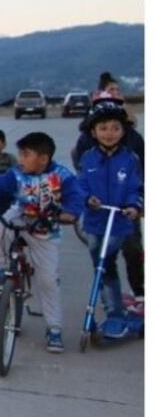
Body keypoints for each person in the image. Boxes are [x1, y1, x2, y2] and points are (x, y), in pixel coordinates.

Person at [0, 132, 85, 353]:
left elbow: (76, 196)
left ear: (43, 158)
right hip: (20, 215)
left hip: (45, 228)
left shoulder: (62, 175)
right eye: (20, 154)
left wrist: (70, 213)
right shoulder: (16, 173)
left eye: (26, 155)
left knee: (48, 280)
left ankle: (54, 328)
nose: (20, 159)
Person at [77, 100, 143, 336]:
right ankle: (114, 310)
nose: (109, 133)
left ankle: (115, 314)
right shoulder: (87, 158)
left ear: (123, 131)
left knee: (106, 264)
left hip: (119, 222)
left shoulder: (130, 159)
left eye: (115, 128)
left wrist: (133, 206)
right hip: (95, 223)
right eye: (103, 128)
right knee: (102, 267)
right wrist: (87, 198)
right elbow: (80, 185)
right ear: (94, 132)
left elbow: (136, 187)